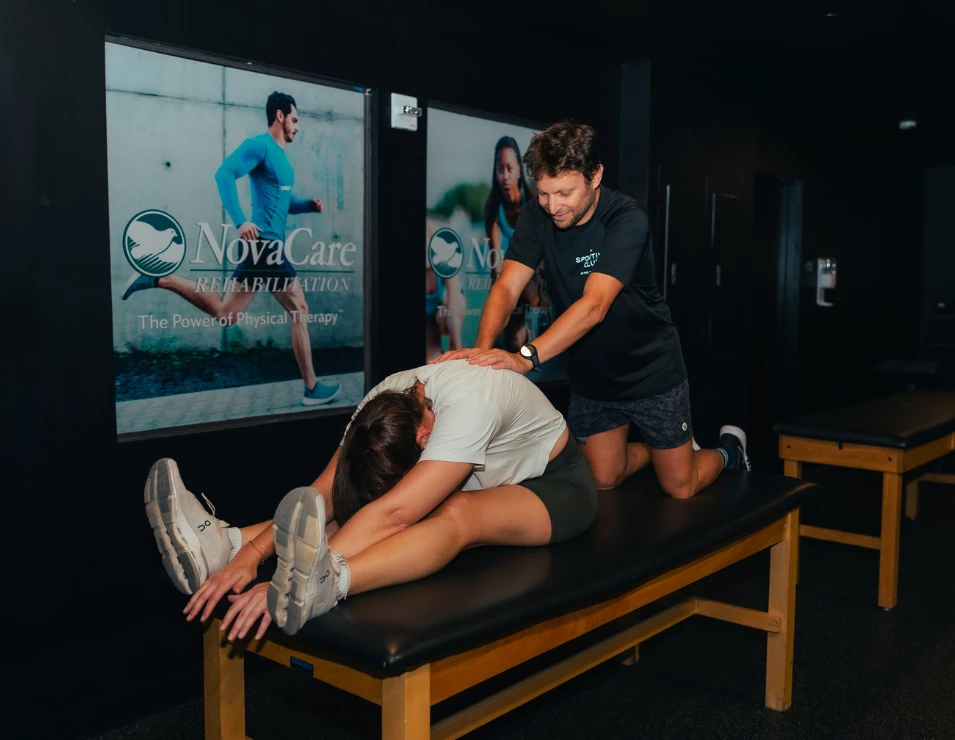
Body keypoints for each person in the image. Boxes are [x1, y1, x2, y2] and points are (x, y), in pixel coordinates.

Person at [143, 359, 597, 640]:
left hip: (554, 486)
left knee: (453, 512)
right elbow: (326, 489)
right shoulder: (385, 398)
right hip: (490, 480)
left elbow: (395, 514)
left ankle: (332, 582)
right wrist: (252, 555)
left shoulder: (470, 404)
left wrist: (289, 581)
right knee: (359, 504)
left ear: (424, 437)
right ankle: (222, 542)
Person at [433, 120, 750, 499]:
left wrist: (524, 357)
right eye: (545, 193)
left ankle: (731, 452)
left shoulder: (626, 219)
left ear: (594, 176)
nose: (553, 206)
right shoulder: (538, 214)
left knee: (680, 486)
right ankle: (657, 449)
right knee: (603, 477)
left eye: (564, 192)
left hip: (649, 371)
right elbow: (507, 286)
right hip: (592, 376)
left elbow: (595, 306)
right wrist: (483, 353)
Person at [122, 91, 340, 407]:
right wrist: (240, 221)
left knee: (226, 314)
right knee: (300, 309)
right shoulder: (259, 146)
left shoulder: (280, 159)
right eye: (294, 119)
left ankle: (159, 278)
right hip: (265, 245)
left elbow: (282, 203)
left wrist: (308, 205)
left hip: (263, 247)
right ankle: (311, 388)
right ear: (279, 116)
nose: (297, 126)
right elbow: (224, 173)